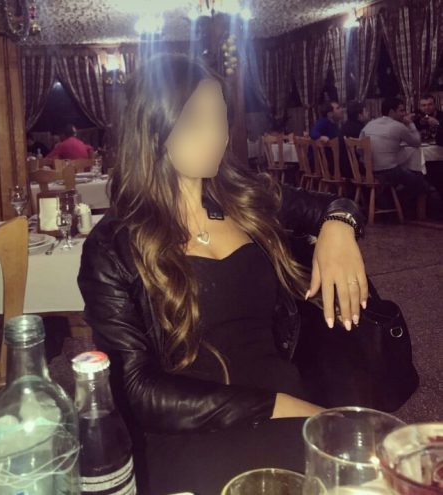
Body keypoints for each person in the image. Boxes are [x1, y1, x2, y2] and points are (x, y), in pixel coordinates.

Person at [78, 54, 367, 494]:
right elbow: (137, 390)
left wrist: (339, 226)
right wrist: (279, 406)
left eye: (221, 117)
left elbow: (335, 205)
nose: (217, 135)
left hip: (292, 400)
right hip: (191, 428)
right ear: (152, 129)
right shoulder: (112, 245)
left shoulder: (246, 196)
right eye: (196, 120)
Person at [360, 97, 430, 206]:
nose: (404, 114)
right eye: (401, 110)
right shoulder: (398, 126)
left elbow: (359, 148)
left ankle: (393, 201)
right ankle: (401, 204)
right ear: (392, 112)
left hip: (367, 171)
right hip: (389, 172)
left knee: (405, 173)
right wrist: (410, 124)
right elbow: (416, 142)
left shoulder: (369, 124)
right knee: (422, 183)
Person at [340, 101, 369, 178]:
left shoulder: (344, 127)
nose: (368, 113)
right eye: (366, 111)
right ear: (360, 115)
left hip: (345, 168)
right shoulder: (361, 130)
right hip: (357, 170)